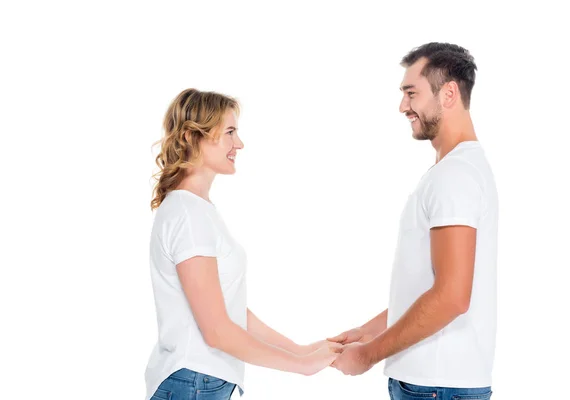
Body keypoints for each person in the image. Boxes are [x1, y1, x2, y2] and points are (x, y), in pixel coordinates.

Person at [145, 89, 341, 400]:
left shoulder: (196, 210)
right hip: (194, 381)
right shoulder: (188, 214)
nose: (239, 143)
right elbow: (217, 330)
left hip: (199, 382)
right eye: (230, 132)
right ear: (191, 137)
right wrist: (299, 365)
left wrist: (300, 351)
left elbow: (231, 311)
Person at [329, 43, 498, 400]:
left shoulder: (455, 176)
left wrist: (366, 356)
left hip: (435, 386)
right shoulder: (456, 171)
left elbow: (451, 296)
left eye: (411, 93)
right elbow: (430, 287)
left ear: (449, 93)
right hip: (437, 384)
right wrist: (369, 331)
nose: (403, 106)